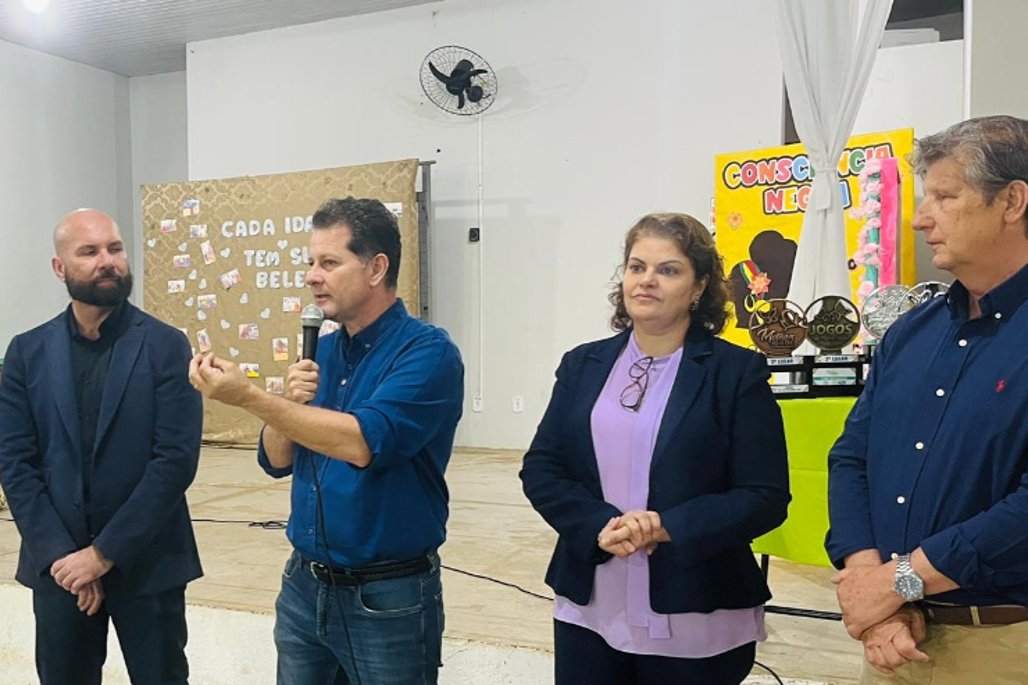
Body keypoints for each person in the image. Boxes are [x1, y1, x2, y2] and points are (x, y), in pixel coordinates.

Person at [189, 197, 463, 685]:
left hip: (386, 597)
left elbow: (362, 443)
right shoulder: (323, 350)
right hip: (304, 585)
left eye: (329, 263)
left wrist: (250, 397)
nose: (312, 277)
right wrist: (287, 403)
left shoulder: (427, 352)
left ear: (376, 268)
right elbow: (276, 459)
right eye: (310, 263)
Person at [520, 212, 790, 685]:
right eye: (636, 266)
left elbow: (763, 496)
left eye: (668, 270)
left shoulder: (735, 374)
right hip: (591, 601)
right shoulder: (582, 365)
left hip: (695, 601)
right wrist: (597, 524)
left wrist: (667, 527)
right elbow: (543, 466)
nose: (646, 280)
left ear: (699, 286)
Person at [826, 115, 1028, 684]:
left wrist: (899, 582)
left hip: (1004, 644)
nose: (920, 219)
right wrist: (872, 583)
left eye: (944, 196)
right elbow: (851, 458)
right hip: (892, 639)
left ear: (1012, 201)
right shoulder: (911, 332)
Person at [0, 209, 203, 684]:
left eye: (114, 248)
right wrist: (64, 558)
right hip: (60, 569)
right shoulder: (26, 353)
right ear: (60, 268)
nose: (107, 261)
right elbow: (15, 462)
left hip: (148, 562)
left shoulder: (166, 346)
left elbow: (174, 461)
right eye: (89, 252)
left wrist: (103, 554)